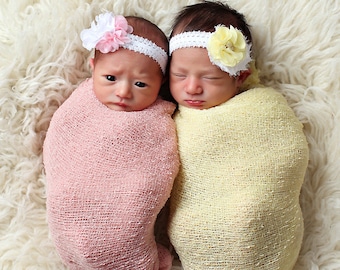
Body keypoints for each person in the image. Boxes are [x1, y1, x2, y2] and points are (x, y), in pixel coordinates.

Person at [167, 1, 309, 269]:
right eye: (179, 75)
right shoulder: (169, 117)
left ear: (240, 77)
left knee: (252, 213)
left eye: (209, 78)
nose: (192, 87)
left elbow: (289, 152)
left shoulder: (263, 108)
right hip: (199, 225)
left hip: (261, 215)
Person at [43, 12, 179, 270]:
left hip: (123, 219)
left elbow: (157, 173)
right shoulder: (81, 104)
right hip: (70, 207)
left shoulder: (156, 120)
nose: (123, 92)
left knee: (125, 234)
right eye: (110, 79)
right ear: (93, 68)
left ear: (160, 83)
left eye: (140, 83)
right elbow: (59, 142)